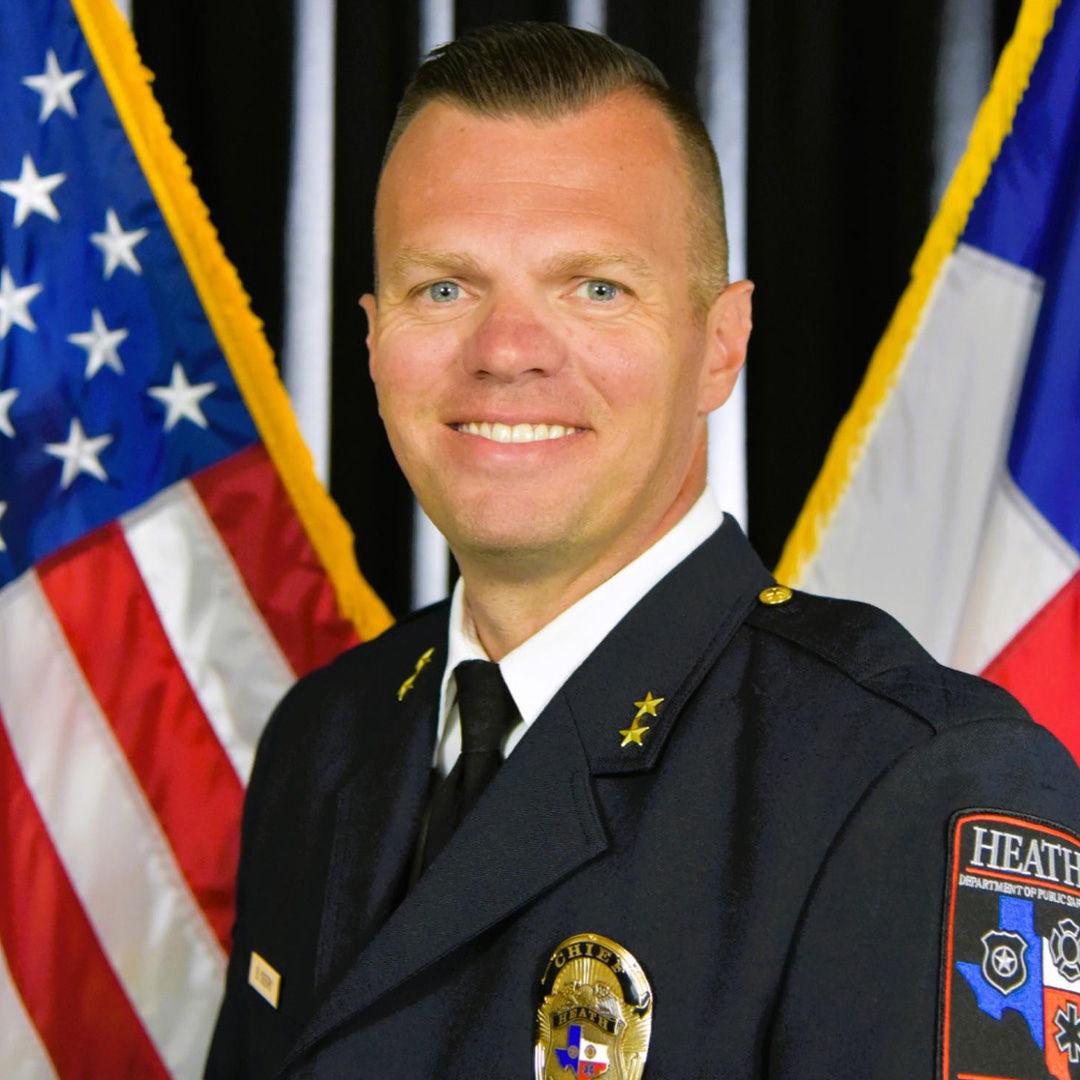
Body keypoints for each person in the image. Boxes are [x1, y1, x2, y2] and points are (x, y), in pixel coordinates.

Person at [206, 22, 1080, 1080]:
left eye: (595, 288)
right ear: (372, 334)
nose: (507, 353)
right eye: (444, 287)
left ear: (721, 343)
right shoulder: (323, 743)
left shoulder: (910, 780)